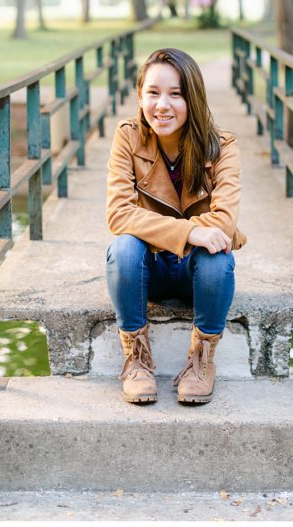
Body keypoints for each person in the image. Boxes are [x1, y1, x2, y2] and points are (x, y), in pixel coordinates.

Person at [105, 48, 245, 405]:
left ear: (192, 98)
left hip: (196, 274)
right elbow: (118, 214)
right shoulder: (128, 138)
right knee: (123, 247)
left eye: (175, 94)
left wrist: (196, 236)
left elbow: (225, 221)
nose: (162, 105)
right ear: (140, 96)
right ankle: (136, 358)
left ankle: (201, 361)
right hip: (148, 270)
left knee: (218, 256)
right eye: (153, 93)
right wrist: (190, 232)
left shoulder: (223, 147)